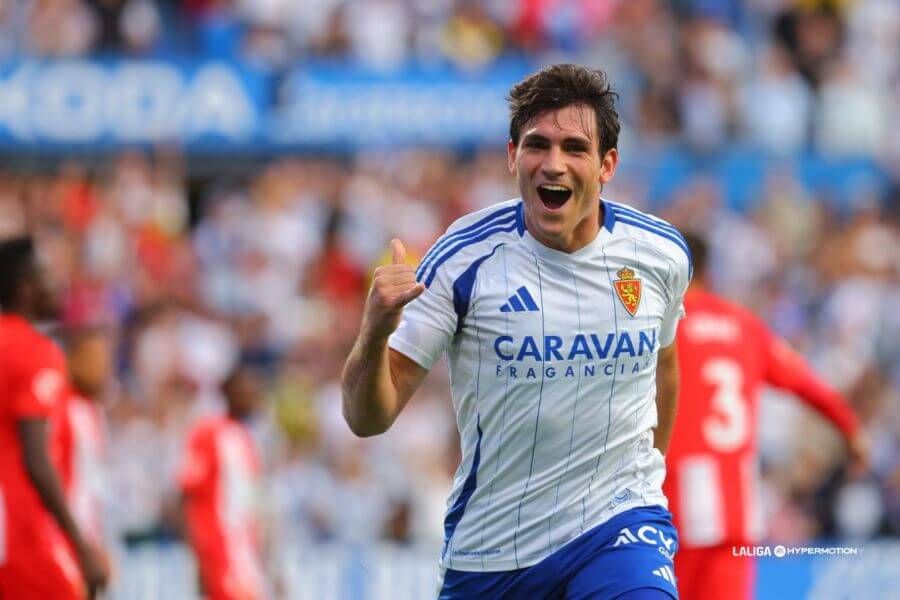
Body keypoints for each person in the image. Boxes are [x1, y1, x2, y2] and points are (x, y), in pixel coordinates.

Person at [342, 64, 691, 599]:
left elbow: (663, 368)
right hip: (495, 552)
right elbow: (367, 419)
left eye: (575, 147)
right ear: (512, 155)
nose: (554, 164)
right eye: (537, 145)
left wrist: (648, 481)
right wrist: (374, 333)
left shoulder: (659, 255)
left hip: (618, 528)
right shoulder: (463, 261)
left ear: (607, 165)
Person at [663, 233, 869, 600]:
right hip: (735, 509)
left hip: (673, 507)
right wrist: (851, 433)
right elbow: (811, 386)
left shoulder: (661, 329)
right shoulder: (746, 327)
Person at [0, 236, 109, 599]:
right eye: (47, 276)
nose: (57, 285)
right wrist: (80, 545)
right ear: (26, 288)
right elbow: (36, 458)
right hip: (21, 539)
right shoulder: (36, 353)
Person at [178, 363, 267, 600]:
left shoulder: (246, 439)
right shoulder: (209, 432)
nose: (251, 394)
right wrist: (198, 556)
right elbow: (187, 495)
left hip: (244, 551)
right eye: (244, 388)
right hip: (218, 549)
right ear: (228, 392)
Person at [54, 327, 113, 558]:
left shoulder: (93, 411)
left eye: (104, 359)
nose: (102, 368)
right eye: (93, 359)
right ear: (73, 360)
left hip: (88, 536)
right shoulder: (59, 407)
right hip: (64, 538)